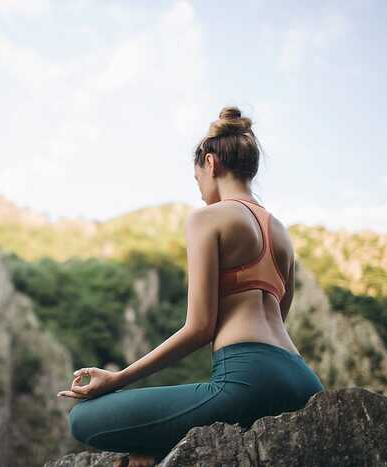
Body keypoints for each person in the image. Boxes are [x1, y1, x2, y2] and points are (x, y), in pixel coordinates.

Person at [57, 106, 325, 467]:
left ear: (210, 163)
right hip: (302, 380)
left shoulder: (207, 218)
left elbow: (199, 328)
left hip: (247, 379)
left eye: (197, 178)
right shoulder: (282, 234)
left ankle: (152, 447)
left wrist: (117, 378)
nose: (200, 191)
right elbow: (282, 314)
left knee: (83, 419)